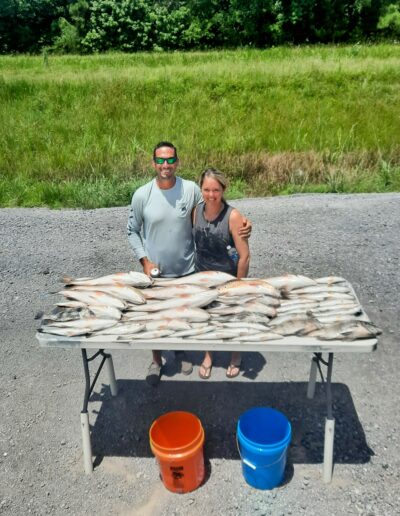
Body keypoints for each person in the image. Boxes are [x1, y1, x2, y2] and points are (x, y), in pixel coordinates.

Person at [127, 142, 251, 386]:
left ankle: (181, 353)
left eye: (170, 160)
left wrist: (244, 226)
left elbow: (213, 206)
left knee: (184, 316)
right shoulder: (142, 195)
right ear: (153, 163)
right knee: (156, 319)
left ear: (177, 162)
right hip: (156, 273)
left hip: (188, 271)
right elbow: (132, 231)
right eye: (160, 160)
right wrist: (144, 261)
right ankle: (156, 361)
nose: (165, 165)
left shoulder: (191, 189)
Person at [193, 168, 250, 379]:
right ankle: (208, 354)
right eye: (206, 190)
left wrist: (238, 285)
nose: (211, 195)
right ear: (201, 189)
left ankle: (235, 355)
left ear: (223, 190)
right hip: (202, 276)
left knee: (232, 318)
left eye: (216, 190)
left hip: (228, 278)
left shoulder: (233, 216)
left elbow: (244, 256)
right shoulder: (196, 211)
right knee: (207, 318)